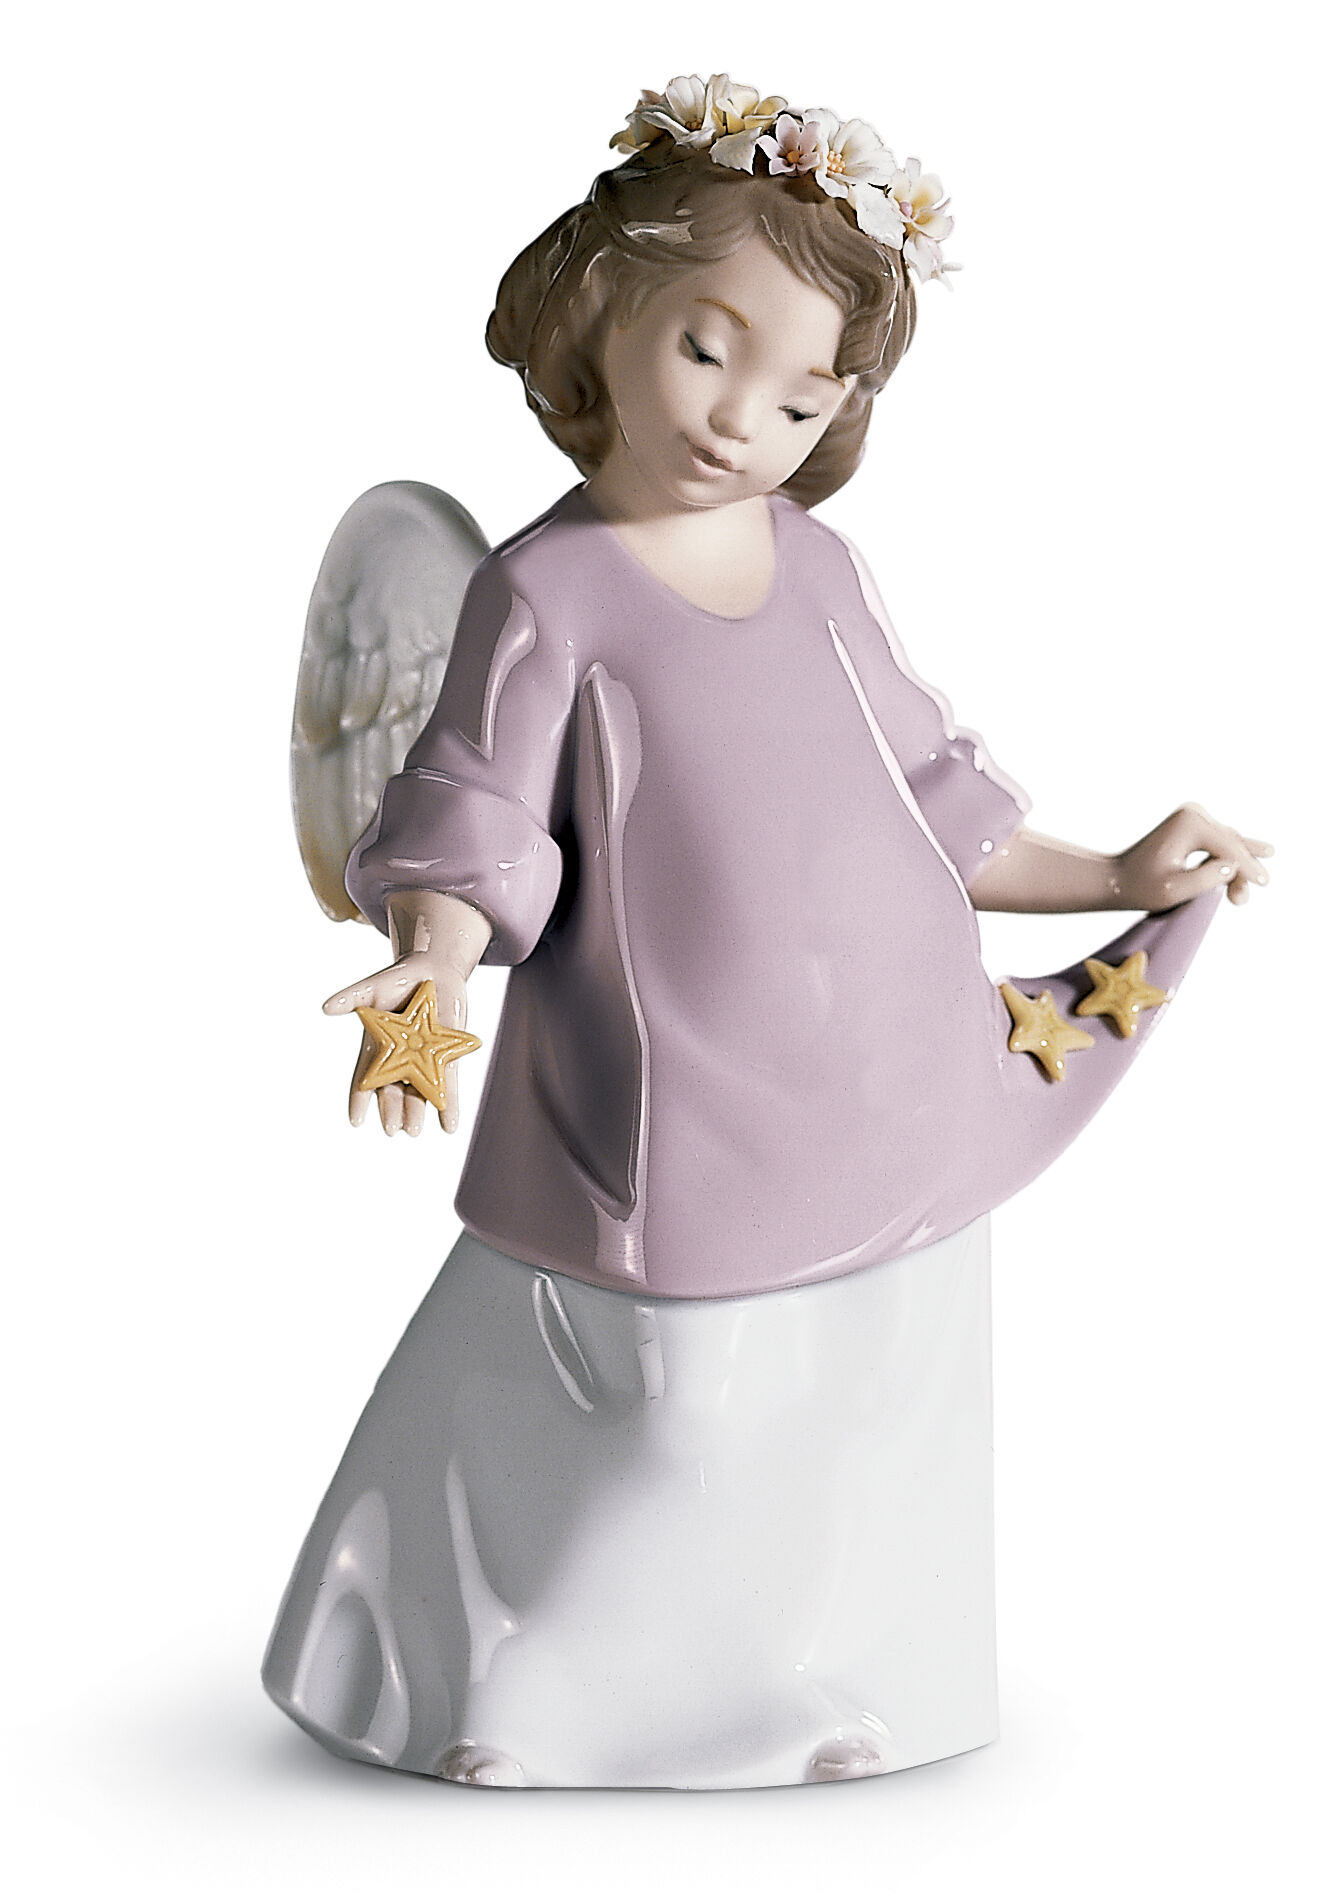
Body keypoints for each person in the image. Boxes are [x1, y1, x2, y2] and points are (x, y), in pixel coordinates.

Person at [264, 75, 1269, 1790]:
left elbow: (939, 799)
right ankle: (533, 1690)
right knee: (676, 1407)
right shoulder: (549, 589)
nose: (744, 420)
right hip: (680, 1100)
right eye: (707, 350)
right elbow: (476, 809)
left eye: (803, 395)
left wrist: (1114, 867)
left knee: (867, 1384)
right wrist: (432, 953)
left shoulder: (823, 568)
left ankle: (813, 1681)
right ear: (603, 314)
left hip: (887, 1069)